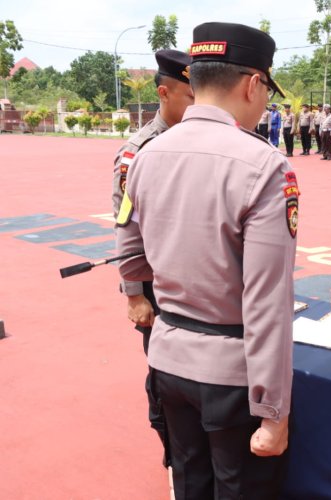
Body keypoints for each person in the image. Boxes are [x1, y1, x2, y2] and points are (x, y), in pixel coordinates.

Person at [116, 22, 296, 499]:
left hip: (169, 358)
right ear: (253, 83)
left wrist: (148, 295)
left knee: (190, 483)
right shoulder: (264, 165)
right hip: (232, 374)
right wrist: (273, 411)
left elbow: (130, 253)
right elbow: (266, 302)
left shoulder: (145, 156)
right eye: (267, 90)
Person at [112, 48, 194, 470]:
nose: (198, 102)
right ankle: (174, 455)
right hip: (155, 288)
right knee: (165, 375)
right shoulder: (140, 150)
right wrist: (133, 295)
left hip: (196, 282)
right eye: (188, 94)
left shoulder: (203, 141)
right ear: (164, 93)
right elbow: (125, 223)